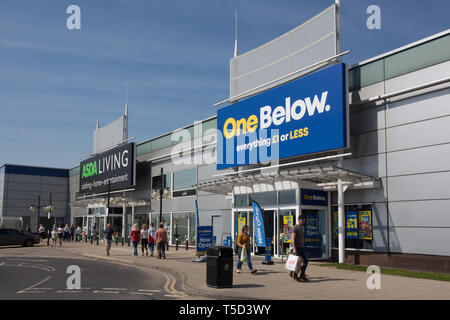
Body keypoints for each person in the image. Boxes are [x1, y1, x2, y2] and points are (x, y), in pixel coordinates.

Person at [291, 215, 309, 282]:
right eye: (303, 220)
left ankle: (302, 274)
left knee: (306, 261)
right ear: (299, 220)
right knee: (297, 262)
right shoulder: (295, 228)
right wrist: (294, 248)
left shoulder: (302, 227)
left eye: (304, 220)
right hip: (297, 248)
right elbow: (292, 239)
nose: (304, 222)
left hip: (302, 247)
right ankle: (295, 276)